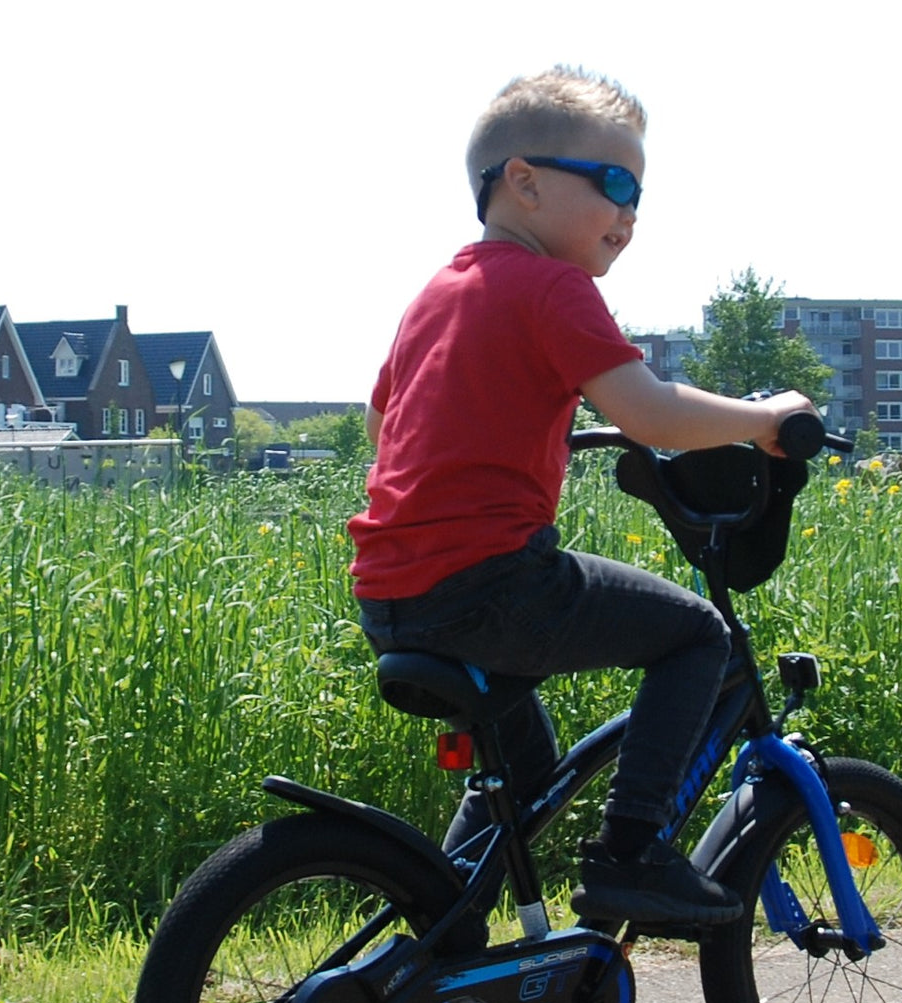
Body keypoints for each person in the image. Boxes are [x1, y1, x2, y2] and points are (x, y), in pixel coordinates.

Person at [348, 66, 819, 927]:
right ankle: (631, 853)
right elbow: (650, 413)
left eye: (640, 194)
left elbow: (386, 420)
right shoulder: (554, 288)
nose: (630, 214)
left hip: (394, 594)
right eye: (614, 185)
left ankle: (441, 929)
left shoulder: (439, 293)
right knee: (696, 635)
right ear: (523, 183)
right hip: (494, 584)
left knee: (526, 773)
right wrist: (763, 421)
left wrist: (503, 429)